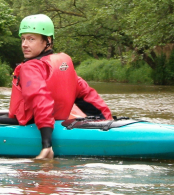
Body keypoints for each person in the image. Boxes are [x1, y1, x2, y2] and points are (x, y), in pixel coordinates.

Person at [8, 14, 113, 160]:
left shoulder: (30, 67)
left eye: (31, 39)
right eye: (23, 38)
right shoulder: (62, 63)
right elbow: (88, 96)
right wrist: (107, 122)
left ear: (48, 40)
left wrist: (46, 144)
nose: (24, 44)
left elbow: (40, 99)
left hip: (37, 127)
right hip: (57, 123)